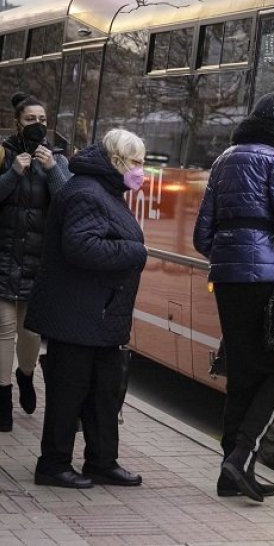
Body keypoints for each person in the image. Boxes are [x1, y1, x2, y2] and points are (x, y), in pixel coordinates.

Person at [193, 92, 274, 502]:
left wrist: (230, 258)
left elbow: (201, 236)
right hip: (264, 278)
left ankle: (230, 473)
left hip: (227, 279)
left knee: (242, 373)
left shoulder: (224, 159)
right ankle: (243, 457)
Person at [26, 128, 148, 489]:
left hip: (98, 315)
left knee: (104, 393)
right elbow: (81, 246)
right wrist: (135, 253)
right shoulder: (86, 193)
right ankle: (53, 464)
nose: (142, 170)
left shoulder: (103, 190)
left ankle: (101, 461)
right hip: (78, 315)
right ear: (116, 161)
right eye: (137, 162)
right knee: (70, 392)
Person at [0, 92, 71, 432]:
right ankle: (2, 397)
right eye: (31, 120)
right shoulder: (4, 154)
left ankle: (25, 375)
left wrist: (52, 169)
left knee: (30, 334)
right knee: (4, 331)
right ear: (17, 123)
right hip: (3, 257)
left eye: (43, 120)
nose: (38, 126)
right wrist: (13, 173)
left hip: (38, 264)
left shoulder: (57, 158)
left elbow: (70, 202)